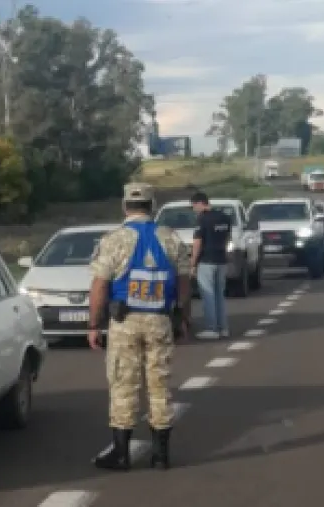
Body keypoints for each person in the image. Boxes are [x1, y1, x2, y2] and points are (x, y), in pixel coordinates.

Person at [87, 182, 191, 472]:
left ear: (125, 206)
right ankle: (161, 456)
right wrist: (182, 317)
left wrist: (94, 324)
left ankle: (121, 455)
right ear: (152, 205)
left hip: (125, 322)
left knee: (123, 385)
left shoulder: (114, 240)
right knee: (159, 386)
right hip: (160, 320)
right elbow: (184, 282)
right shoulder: (170, 238)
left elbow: (99, 286)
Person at [190, 191, 232, 339]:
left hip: (206, 261)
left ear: (199, 203)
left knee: (208, 295)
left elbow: (197, 243)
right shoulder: (225, 218)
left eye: (193, 206)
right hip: (221, 260)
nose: (194, 209)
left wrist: (193, 263)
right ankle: (223, 328)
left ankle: (211, 328)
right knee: (219, 295)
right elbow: (227, 239)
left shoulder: (202, 219)